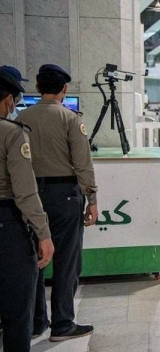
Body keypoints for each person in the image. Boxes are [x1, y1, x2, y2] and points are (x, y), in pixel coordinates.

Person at [16, 64, 98, 342]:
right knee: (66, 262)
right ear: (64, 89)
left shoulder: (20, 118)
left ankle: (36, 321)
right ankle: (62, 325)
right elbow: (83, 164)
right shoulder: (71, 119)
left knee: (33, 261)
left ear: (38, 89)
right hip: (64, 196)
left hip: (28, 198)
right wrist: (92, 199)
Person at [0, 72, 54, 352]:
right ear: (8, 100)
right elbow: (24, 191)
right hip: (6, 227)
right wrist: (43, 234)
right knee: (16, 311)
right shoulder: (11, 133)